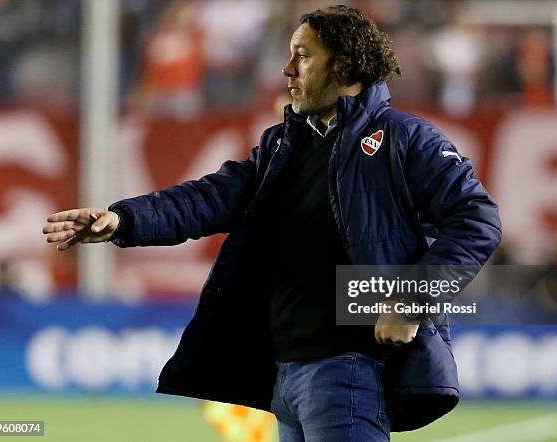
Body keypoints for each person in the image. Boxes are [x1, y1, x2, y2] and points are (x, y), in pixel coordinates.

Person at [42, 6, 501, 441]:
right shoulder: (281, 145)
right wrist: (123, 219)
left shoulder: (404, 138)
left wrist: (409, 301)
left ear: (344, 68)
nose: (287, 70)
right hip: (286, 374)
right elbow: (209, 198)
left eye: (302, 56)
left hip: (350, 367)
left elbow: (477, 219)